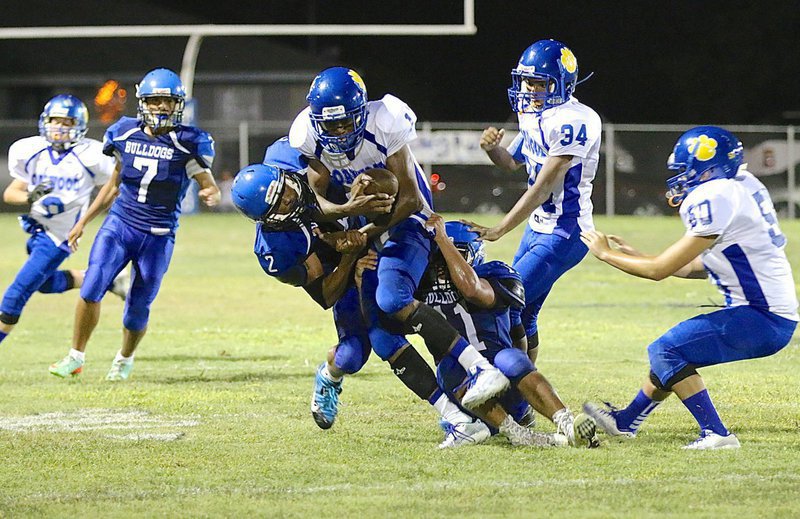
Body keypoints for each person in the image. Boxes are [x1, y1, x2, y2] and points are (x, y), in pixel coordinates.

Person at [289, 66, 510, 412]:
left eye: (346, 122)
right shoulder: (307, 134)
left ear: (362, 112)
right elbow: (316, 199)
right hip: (360, 228)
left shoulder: (386, 119)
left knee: (393, 298)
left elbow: (410, 199)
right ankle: (452, 416)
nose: (339, 132)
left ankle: (478, 371)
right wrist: (349, 215)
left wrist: (361, 233)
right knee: (372, 341)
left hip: (406, 221)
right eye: (331, 125)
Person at [232, 158, 490, 448]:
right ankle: (329, 376)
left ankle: (460, 409)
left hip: (374, 245)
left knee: (390, 332)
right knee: (352, 356)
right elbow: (325, 296)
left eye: (285, 189)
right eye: (279, 203)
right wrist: (347, 258)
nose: (290, 198)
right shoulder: (276, 250)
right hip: (343, 273)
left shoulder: (305, 161)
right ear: (265, 219)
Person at [581, 126, 798, 449]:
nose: (680, 179)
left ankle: (717, 433)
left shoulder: (717, 195)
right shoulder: (741, 186)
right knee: (675, 353)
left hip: (761, 316)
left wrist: (605, 254)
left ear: (710, 169)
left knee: (668, 350)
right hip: (767, 313)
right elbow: (698, 267)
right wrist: (643, 256)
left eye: (686, 171)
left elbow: (658, 272)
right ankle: (626, 422)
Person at [49, 68, 220, 380]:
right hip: (120, 226)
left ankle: (124, 358)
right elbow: (113, 186)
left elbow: (208, 183)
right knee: (91, 288)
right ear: (143, 103)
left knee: (138, 307)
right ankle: (75, 356)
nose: (161, 107)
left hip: (157, 235)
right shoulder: (124, 132)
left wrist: (211, 191)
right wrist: (83, 222)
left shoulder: (189, 142)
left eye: (167, 101)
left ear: (178, 104)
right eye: (155, 101)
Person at [466, 39, 601, 364]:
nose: (530, 89)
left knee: (500, 301)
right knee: (523, 316)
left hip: (565, 234)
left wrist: (500, 228)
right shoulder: (533, 115)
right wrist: (491, 149)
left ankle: (512, 387)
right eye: (527, 81)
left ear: (563, 84)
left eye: (540, 83)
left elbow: (542, 187)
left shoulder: (575, 120)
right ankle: (525, 392)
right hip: (539, 228)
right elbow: (511, 162)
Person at [420, 214, 598, 448]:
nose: (443, 263)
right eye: (438, 257)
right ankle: (517, 434)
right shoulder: (421, 289)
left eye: (454, 254)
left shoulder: (495, 276)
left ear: (473, 254)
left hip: (505, 376)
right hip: (465, 392)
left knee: (510, 358)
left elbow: (476, 294)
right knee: (448, 367)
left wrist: (443, 240)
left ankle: (567, 422)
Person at [0, 95, 128, 347]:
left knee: (16, 294)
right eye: (54, 121)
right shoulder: (33, 150)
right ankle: (106, 279)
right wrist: (30, 196)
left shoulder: (90, 155)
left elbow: (115, 186)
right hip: (37, 232)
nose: (59, 128)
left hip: (59, 238)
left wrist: (89, 220)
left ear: (78, 125)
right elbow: (9, 193)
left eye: (66, 122)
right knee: (44, 284)